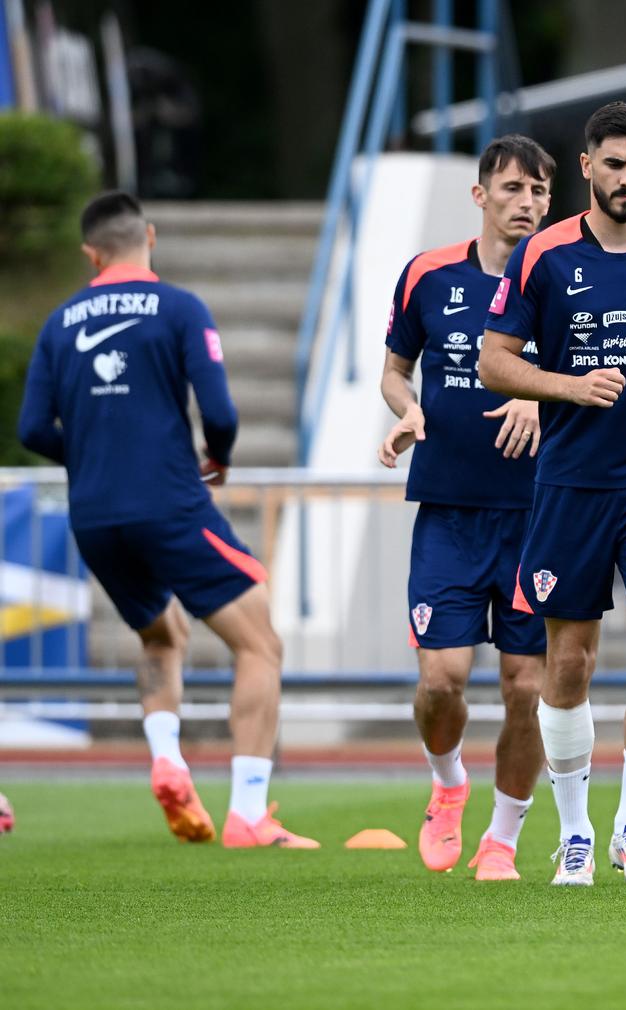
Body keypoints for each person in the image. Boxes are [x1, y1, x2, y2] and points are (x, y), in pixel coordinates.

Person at [17, 192, 314, 848]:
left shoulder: (61, 321)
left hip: (95, 516)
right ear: (148, 237)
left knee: (161, 635)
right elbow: (222, 412)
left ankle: (167, 760)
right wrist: (221, 457)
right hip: (168, 503)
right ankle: (249, 813)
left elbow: (33, 426)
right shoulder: (179, 307)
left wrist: (95, 458)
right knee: (260, 644)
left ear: (90, 254)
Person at [479, 102, 626, 888]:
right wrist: (566, 386)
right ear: (585, 166)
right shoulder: (543, 256)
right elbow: (495, 361)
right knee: (571, 661)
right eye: (614, 165)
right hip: (570, 485)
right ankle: (575, 831)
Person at [377, 135, 554, 880]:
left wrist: (543, 403)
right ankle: (448, 786)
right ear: (480, 195)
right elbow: (394, 369)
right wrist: (408, 411)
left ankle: (503, 840)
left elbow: (602, 377)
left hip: (538, 514)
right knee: (441, 678)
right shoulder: (428, 275)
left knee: (526, 687)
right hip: (449, 511)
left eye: (540, 192)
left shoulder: (568, 280)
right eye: (513, 189)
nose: (528, 203)